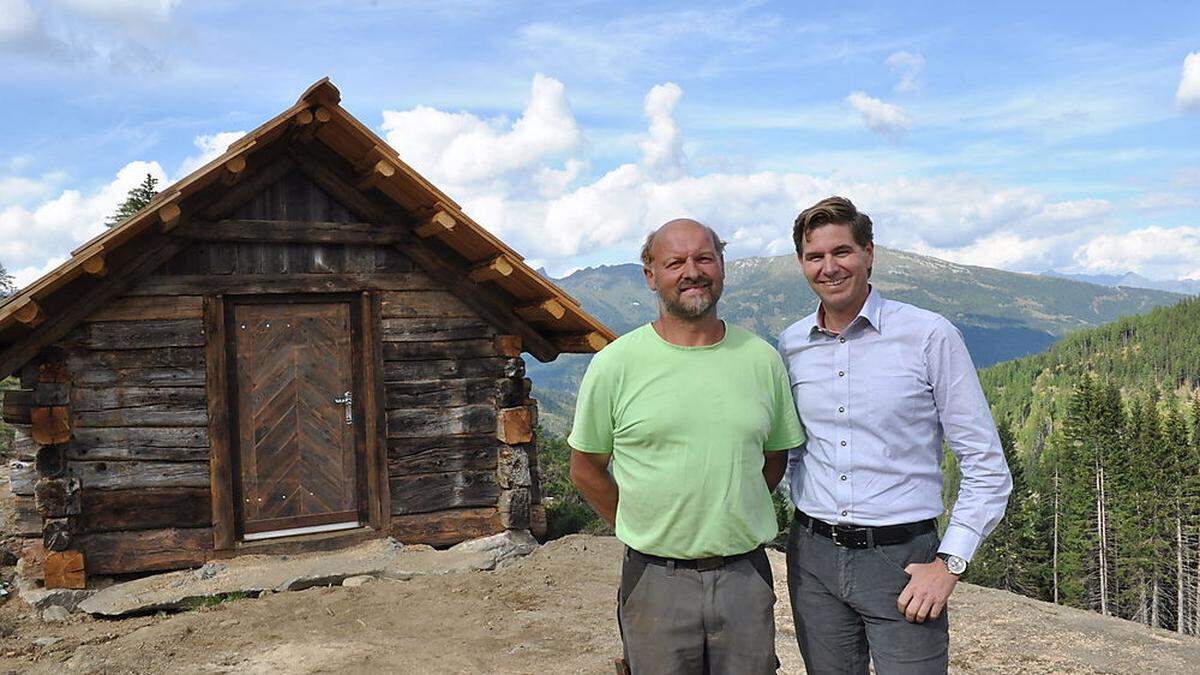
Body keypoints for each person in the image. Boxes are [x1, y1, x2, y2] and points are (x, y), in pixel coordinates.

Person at [778, 196, 1012, 674]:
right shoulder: (791, 344)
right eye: (814, 256)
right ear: (802, 263)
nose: (829, 267)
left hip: (902, 560)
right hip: (812, 559)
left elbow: (986, 465)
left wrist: (950, 564)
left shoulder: (929, 335)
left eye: (841, 251)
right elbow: (796, 450)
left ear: (869, 253)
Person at [568, 218, 807, 674]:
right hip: (655, 580)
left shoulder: (761, 359)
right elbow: (585, 468)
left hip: (744, 577)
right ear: (651, 275)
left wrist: (730, 507)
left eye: (704, 258)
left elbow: (775, 456)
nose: (691, 271)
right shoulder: (616, 364)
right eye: (675, 262)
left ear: (721, 267)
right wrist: (642, 523)